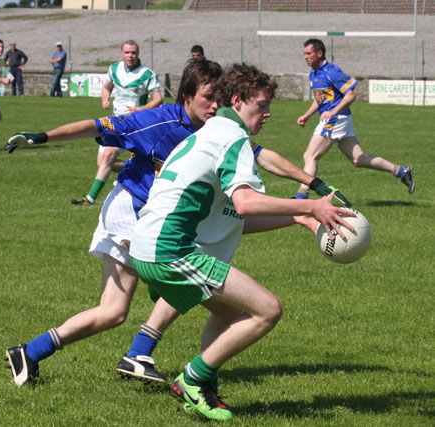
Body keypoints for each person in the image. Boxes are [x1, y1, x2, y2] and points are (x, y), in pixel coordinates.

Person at [4, 60, 349, 389]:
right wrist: (42, 136)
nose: (215, 105)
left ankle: (40, 352)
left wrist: (312, 186)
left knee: (133, 303)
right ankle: (170, 366)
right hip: (133, 212)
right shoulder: (159, 121)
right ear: (186, 95)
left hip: (166, 220)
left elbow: (261, 154)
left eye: (218, 97)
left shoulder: (216, 130)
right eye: (207, 97)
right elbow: (99, 125)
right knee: (151, 292)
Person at [129, 63, 355, 420]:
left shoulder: (208, 132)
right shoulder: (232, 140)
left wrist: (299, 216)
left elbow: (233, 220)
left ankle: (205, 385)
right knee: (268, 310)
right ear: (237, 99)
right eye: (261, 105)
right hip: (169, 251)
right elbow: (246, 203)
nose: (267, 114)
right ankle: (192, 379)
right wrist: (311, 204)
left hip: (147, 247)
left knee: (229, 314)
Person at [295, 38, 415, 200]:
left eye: (309, 53)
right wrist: (306, 115)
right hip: (337, 119)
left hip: (335, 119)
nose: (305, 57)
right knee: (358, 159)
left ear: (319, 53)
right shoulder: (313, 74)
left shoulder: (332, 71)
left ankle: (301, 197)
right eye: (304, 54)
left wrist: (333, 111)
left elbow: (351, 95)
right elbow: (319, 99)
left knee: (310, 156)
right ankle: (401, 171)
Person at [71, 40, 163, 206]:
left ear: (138, 53)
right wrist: (105, 98)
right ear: (122, 53)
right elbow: (107, 87)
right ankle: (133, 167)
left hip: (132, 124)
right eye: (127, 52)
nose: (131, 56)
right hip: (114, 120)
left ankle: (90, 197)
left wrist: (140, 110)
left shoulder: (146, 74)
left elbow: (158, 99)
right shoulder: (114, 69)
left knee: (107, 157)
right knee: (104, 163)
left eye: (133, 52)